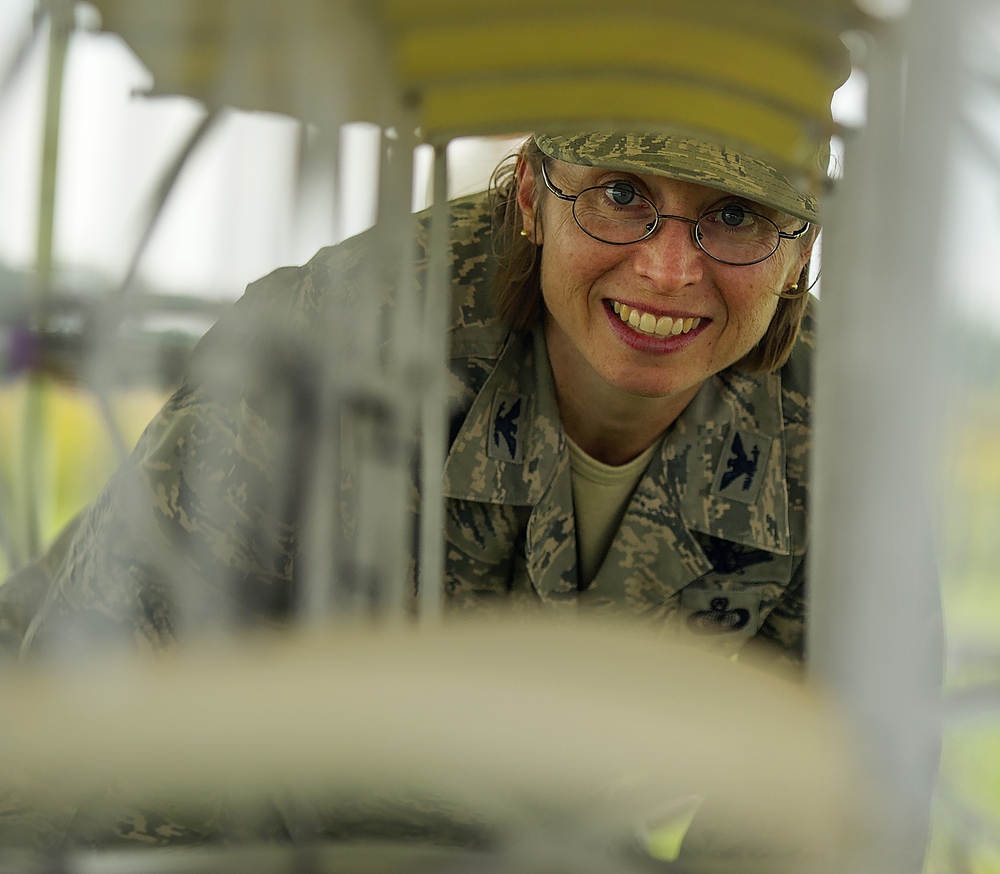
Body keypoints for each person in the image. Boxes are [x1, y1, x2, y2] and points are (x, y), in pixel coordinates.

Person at [1, 129, 817, 667]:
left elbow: (823, 793)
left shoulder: (832, 425)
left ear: (801, 246)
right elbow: (113, 701)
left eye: (737, 216)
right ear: (532, 197)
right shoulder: (351, 333)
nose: (669, 271)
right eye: (620, 195)